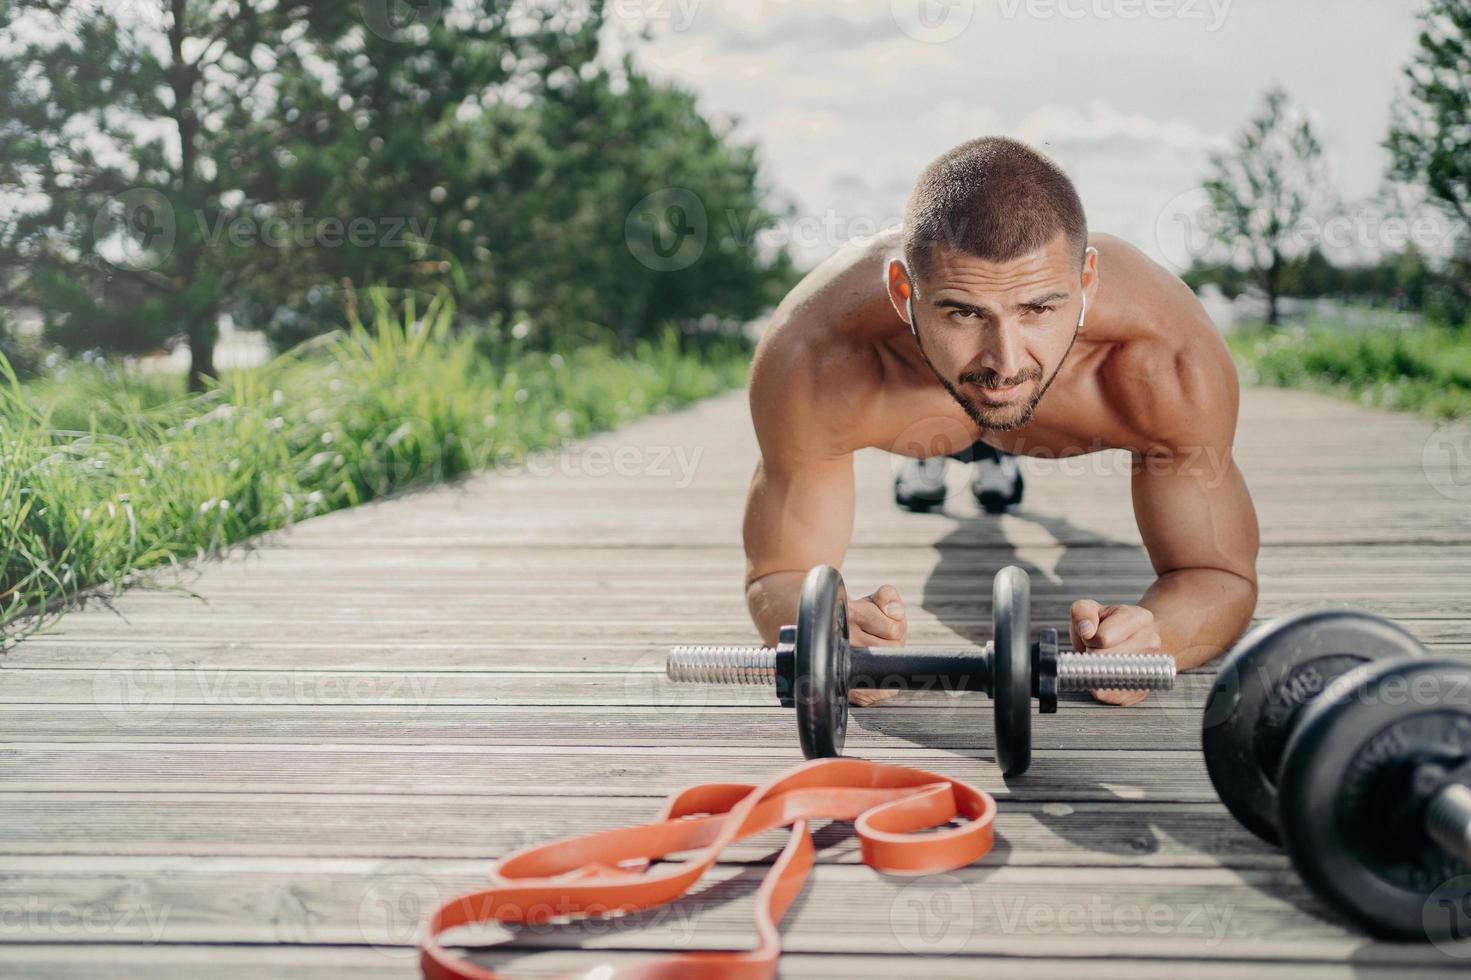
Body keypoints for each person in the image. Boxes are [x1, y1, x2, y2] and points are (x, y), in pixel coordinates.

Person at [743, 136, 1259, 706]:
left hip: (980, 393)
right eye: (963, 312)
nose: (1006, 360)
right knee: (960, 436)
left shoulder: (1167, 359)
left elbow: (1219, 573)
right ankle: (949, 450)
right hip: (917, 407)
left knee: (980, 386)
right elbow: (778, 571)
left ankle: (979, 439)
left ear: (1087, 283)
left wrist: (1159, 637)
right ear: (902, 292)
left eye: (1039, 309)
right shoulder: (813, 356)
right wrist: (826, 633)